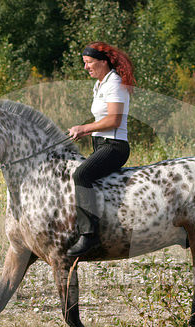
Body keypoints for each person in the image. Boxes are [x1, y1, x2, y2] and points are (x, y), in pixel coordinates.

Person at [67, 41, 136, 257]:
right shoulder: (99, 84)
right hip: (100, 145)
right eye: (84, 63)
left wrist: (84, 128)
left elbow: (114, 120)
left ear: (103, 62)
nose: (85, 67)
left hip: (114, 146)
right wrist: (84, 132)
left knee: (81, 174)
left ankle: (89, 235)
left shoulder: (114, 82)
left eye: (89, 63)